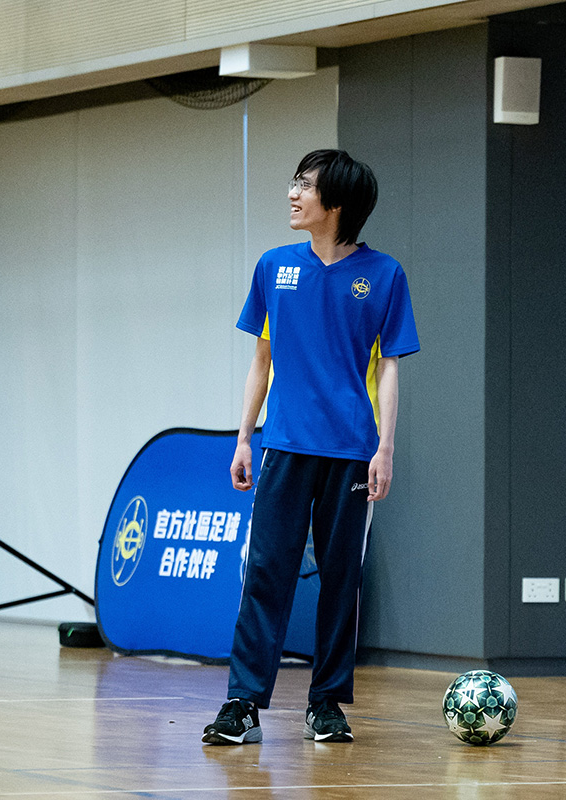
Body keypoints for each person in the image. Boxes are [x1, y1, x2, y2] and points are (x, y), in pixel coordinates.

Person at [202, 150, 419, 745]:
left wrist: (386, 448)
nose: (292, 194)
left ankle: (326, 703)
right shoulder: (274, 267)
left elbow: (390, 367)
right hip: (285, 445)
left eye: (305, 185)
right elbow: (262, 360)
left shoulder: (385, 275)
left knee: (341, 579)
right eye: (294, 182)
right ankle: (243, 704)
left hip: (352, 450)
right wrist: (244, 437)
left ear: (337, 203)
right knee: (265, 573)